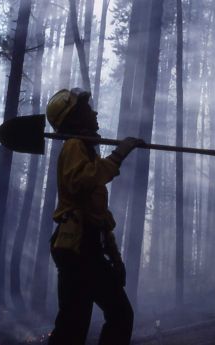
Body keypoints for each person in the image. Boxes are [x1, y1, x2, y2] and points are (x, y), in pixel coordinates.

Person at [46, 88, 143, 345]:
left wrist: (114, 257)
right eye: (88, 109)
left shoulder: (85, 150)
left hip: (85, 248)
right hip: (77, 249)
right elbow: (83, 180)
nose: (95, 112)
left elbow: (97, 216)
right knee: (78, 325)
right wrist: (118, 155)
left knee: (84, 323)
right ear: (75, 116)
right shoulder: (74, 145)